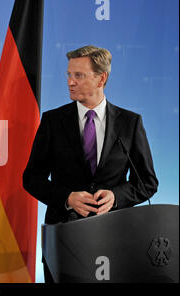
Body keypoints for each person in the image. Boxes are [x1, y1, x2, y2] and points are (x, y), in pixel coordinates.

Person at [22, 45, 158, 282]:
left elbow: (147, 182)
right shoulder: (53, 121)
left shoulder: (130, 123)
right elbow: (31, 178)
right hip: (64, 239)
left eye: (79, 75)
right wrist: (67, 197)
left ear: (101, 78)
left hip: (116, 239)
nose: (70, 82)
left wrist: (116, 196)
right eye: (69, 75)